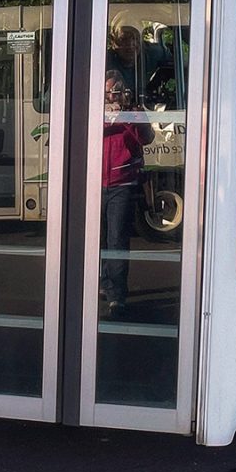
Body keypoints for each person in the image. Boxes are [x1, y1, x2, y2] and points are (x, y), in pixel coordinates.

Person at [100, 68, 154, 316]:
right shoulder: (94, 109)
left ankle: (117, 296)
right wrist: (103, 117)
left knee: (117, 239)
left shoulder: (133, 112)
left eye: (115, 92)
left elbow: (146, 138)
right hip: (93, 184)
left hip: (122, 182)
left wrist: (128, 115)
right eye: (107, 92)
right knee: (94, 240)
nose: (111, 97)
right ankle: (101, 283)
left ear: (123, 92)